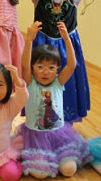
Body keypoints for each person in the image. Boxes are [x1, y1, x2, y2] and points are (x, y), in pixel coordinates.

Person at [24, 0, 92, 122]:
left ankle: (63, 116)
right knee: (40, 79)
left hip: (67, 44)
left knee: (66, 80)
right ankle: (39, 114)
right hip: (42, 43)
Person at [15, 21, 92, 179]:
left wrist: (66, 39)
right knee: (39, 174)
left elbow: (71, 65)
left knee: (69, 170)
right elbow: (23, 65)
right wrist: (29, 40)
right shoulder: (30, 83)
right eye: (40, 66)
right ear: (33, 67)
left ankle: (58, 158)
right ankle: (45, 159)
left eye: (51, 67)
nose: (45, 72)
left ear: (57, 69)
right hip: (35, 136)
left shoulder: (58, 82)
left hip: (59, 135)